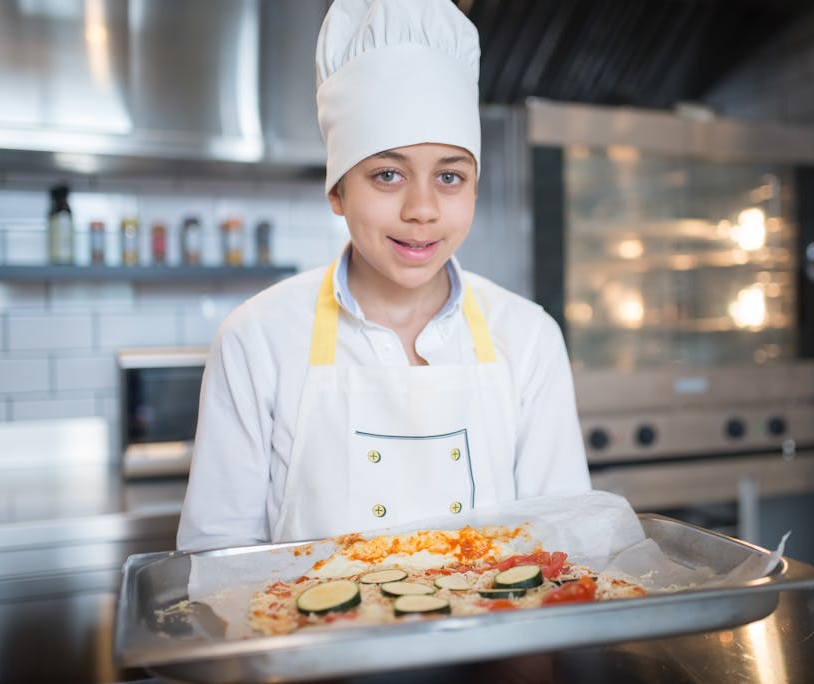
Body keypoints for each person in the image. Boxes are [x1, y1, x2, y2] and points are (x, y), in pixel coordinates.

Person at [176, 0, 591, 551]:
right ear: (337, 191)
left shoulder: (529, 338)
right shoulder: (257, 339)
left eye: (449, 176)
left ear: (474, 188)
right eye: (388, 174)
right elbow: (218, 561)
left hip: (498, 639)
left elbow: (564, 547)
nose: (422, 209)